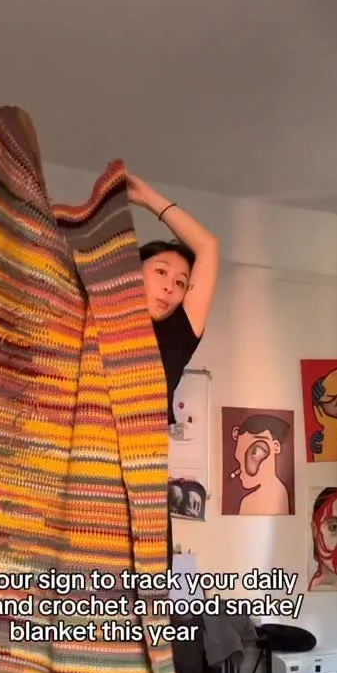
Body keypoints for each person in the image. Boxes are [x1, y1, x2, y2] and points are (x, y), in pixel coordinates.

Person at [127, 174, 219, 564]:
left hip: (142, 489)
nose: (170, 287)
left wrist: (149, 198)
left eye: (181, 282)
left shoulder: (178, 334)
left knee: (144, 588)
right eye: (161, 272)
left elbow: (208, 247)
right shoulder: (99, 324)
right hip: (81, 480)